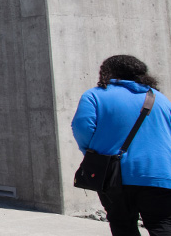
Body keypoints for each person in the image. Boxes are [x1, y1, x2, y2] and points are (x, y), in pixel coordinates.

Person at [72, 55, 171, 236]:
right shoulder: (160, 99)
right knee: (162, 226)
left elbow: (82, 128)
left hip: (113, 176)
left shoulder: (95, 95)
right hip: (159, 174)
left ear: (107, 72)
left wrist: (94, 153)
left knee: (122, 226)